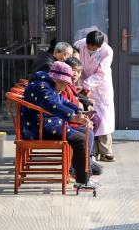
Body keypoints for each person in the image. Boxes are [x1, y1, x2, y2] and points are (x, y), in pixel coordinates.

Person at [20, 61, 99, 188]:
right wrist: (73, 117)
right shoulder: (42, 87)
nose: (64, 87)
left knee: (85, 133)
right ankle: (82, 180)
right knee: (81, 139)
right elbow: (52, 105)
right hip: (39, 128)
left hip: (48, 124)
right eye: (64, 83)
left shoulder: (49, 84)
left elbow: (63, 101)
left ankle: (80, 173)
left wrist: (80, 111)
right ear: (57, 79)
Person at [74, 30, 116, 162]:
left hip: (100, 85)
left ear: (101, 45)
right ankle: (92, 151)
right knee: (88, 114)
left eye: (94, 48)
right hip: (81, 81)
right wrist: (79, 83)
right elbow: (74, 62)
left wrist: (86, 85)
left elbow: (101, 72)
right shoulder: (79, 45)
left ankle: (105, 151)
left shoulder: (107, 51)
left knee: (104, 117)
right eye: (89, 46)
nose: (91, 49)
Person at [63, 57, 103, 175]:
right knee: (88, 131)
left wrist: (84, 105)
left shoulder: (71, 85)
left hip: (73, 117)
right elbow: (66, 106)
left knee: (96, 119)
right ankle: (81, 166)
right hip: (66, 122)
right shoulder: (62, 84)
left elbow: (74, 100)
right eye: (73, 70)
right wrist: (81, 117)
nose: (76, 74)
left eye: (79, 71)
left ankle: (86, 158)